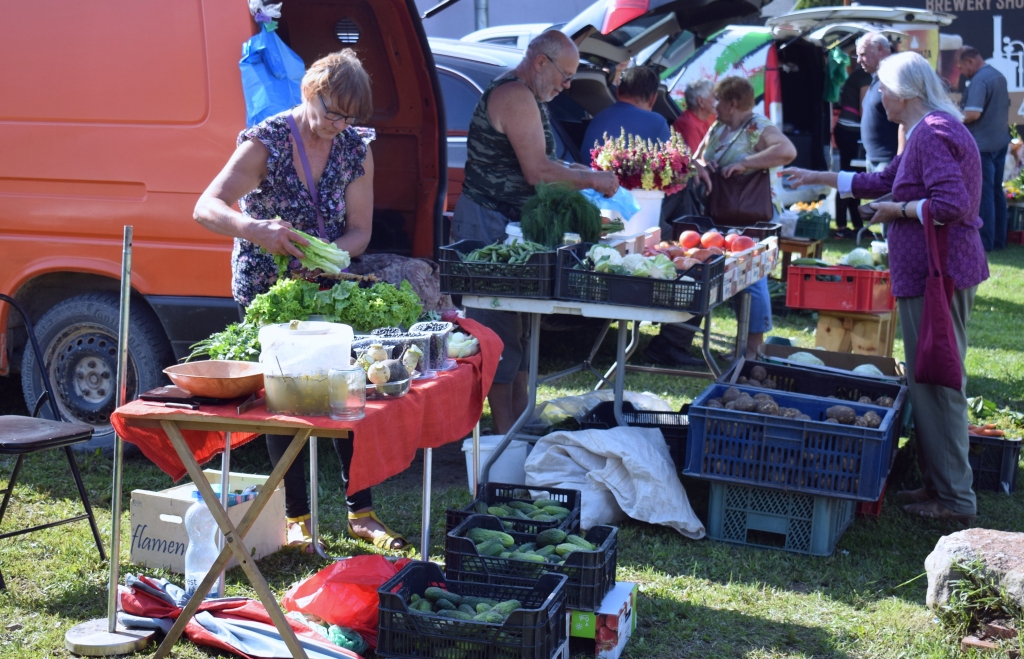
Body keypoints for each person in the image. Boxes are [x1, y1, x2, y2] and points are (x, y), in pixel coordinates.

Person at [193, 49, 409, 551]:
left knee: (347, 390)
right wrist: (256, 229)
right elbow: (205, 207)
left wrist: (332, 256)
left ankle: (362, 512)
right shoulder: (266, 141)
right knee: (283, 400)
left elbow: (360, 232)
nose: (339, 124)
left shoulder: (356, 147)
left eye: (349, 116)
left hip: (327, 289)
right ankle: (297, 518)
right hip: (267, 287)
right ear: (310, 93)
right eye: (332, 112)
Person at [782, 52, 989, 524]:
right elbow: (884, 180)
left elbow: (950, 204)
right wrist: (819, 176)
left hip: (939, 274)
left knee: (937, 381)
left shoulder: (932, 133)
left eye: (882, 87)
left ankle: (955, 498)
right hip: (935, 273)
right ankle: (940, 483)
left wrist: (898, 210)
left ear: (905, 93)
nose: (877, 95)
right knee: (928, 377)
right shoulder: (929, 130)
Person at [451, 30, 619, 435]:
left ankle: (520, 426)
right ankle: (504, 434)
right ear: (540, 61)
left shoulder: (531, 95)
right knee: (498, 331)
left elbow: (547, 161)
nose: (567, 85)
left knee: (520, 332)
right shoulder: (513, 94)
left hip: (509, 224)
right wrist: (594, 181)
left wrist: (580, 172)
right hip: (488, 225)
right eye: (565, 75)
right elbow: (538, 172)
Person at [695, 76, 797, 357]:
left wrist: (744, 163)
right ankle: (743, 345)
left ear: (733, 102)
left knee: (752, 277)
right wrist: (707, 164)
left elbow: (787, 151)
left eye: (718, 101)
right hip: (724, 211)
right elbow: (698, 156)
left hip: (752, 214)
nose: (714, 107)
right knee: (733, 275)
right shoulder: (719, 126)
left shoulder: (758, 126)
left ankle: (752, 348)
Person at [958, 46, 1011, 252]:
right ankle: (999, 240)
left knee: (984, 194)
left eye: (961, 67)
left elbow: (972, 114)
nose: (961, 72)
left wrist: (950, 118)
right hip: (999, 141)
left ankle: (984, 242)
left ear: (971, 62)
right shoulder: (998, 76)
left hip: (983, 146)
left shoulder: (980, 80)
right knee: (996, 192)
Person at [582, 66, 670, 164]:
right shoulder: (657, 123)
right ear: (653, 98)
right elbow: (669, 170)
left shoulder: (598, 118)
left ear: (618, 91)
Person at [833, 63, 872, 239]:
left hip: (849, 130)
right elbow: (865, 110)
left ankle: (857, 225)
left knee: (853, 178)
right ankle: (841, 226)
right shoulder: (865, 76)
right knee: (847, 178)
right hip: (850, 131)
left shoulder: (860, 75)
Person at [856, 33, 899, 175]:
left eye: (863, 54)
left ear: (880, 49)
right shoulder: (877, 79)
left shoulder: (894, 78)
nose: (858, 60)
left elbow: (905, 120)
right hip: (874, 160)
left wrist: (900, 158)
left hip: (888, 161)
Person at [673, 78, 715, 153]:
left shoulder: (702, 121)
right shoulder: (688, 124)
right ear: (701, 101)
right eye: (714, 96)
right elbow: (695, 161)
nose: (719, 100)